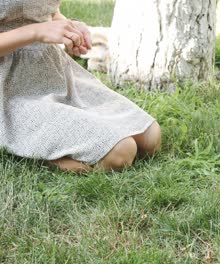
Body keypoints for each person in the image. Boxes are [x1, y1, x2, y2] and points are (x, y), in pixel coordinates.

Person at [0, 0, 161, 173]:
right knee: (121, 152)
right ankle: (29, 152)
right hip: (10, 87)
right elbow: (34, 26)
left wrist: (69, 27)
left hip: (53, 72)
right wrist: (35, 32)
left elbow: (46, 12)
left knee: (150, 137)